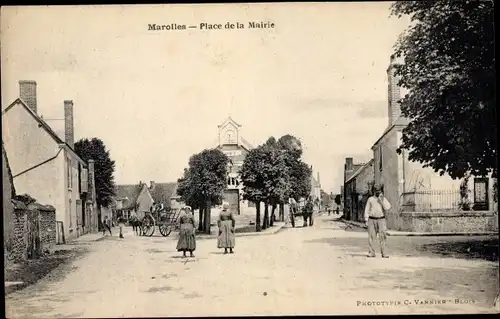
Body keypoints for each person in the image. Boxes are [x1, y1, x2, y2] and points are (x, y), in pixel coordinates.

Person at [364, 185, 391, 258]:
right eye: (376, 191)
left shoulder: (383, 198)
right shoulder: (370, 199)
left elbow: (387, 207)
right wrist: (366, 219)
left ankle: (384, 253)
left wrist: (381, 200)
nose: (378, 192)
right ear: (373, 191)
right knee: (371, 236)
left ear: (381, 191)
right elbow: (367, 209)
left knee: (383, 236)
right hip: (372, 219)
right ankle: (371, 252)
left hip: (381, 219)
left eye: (379, 191)